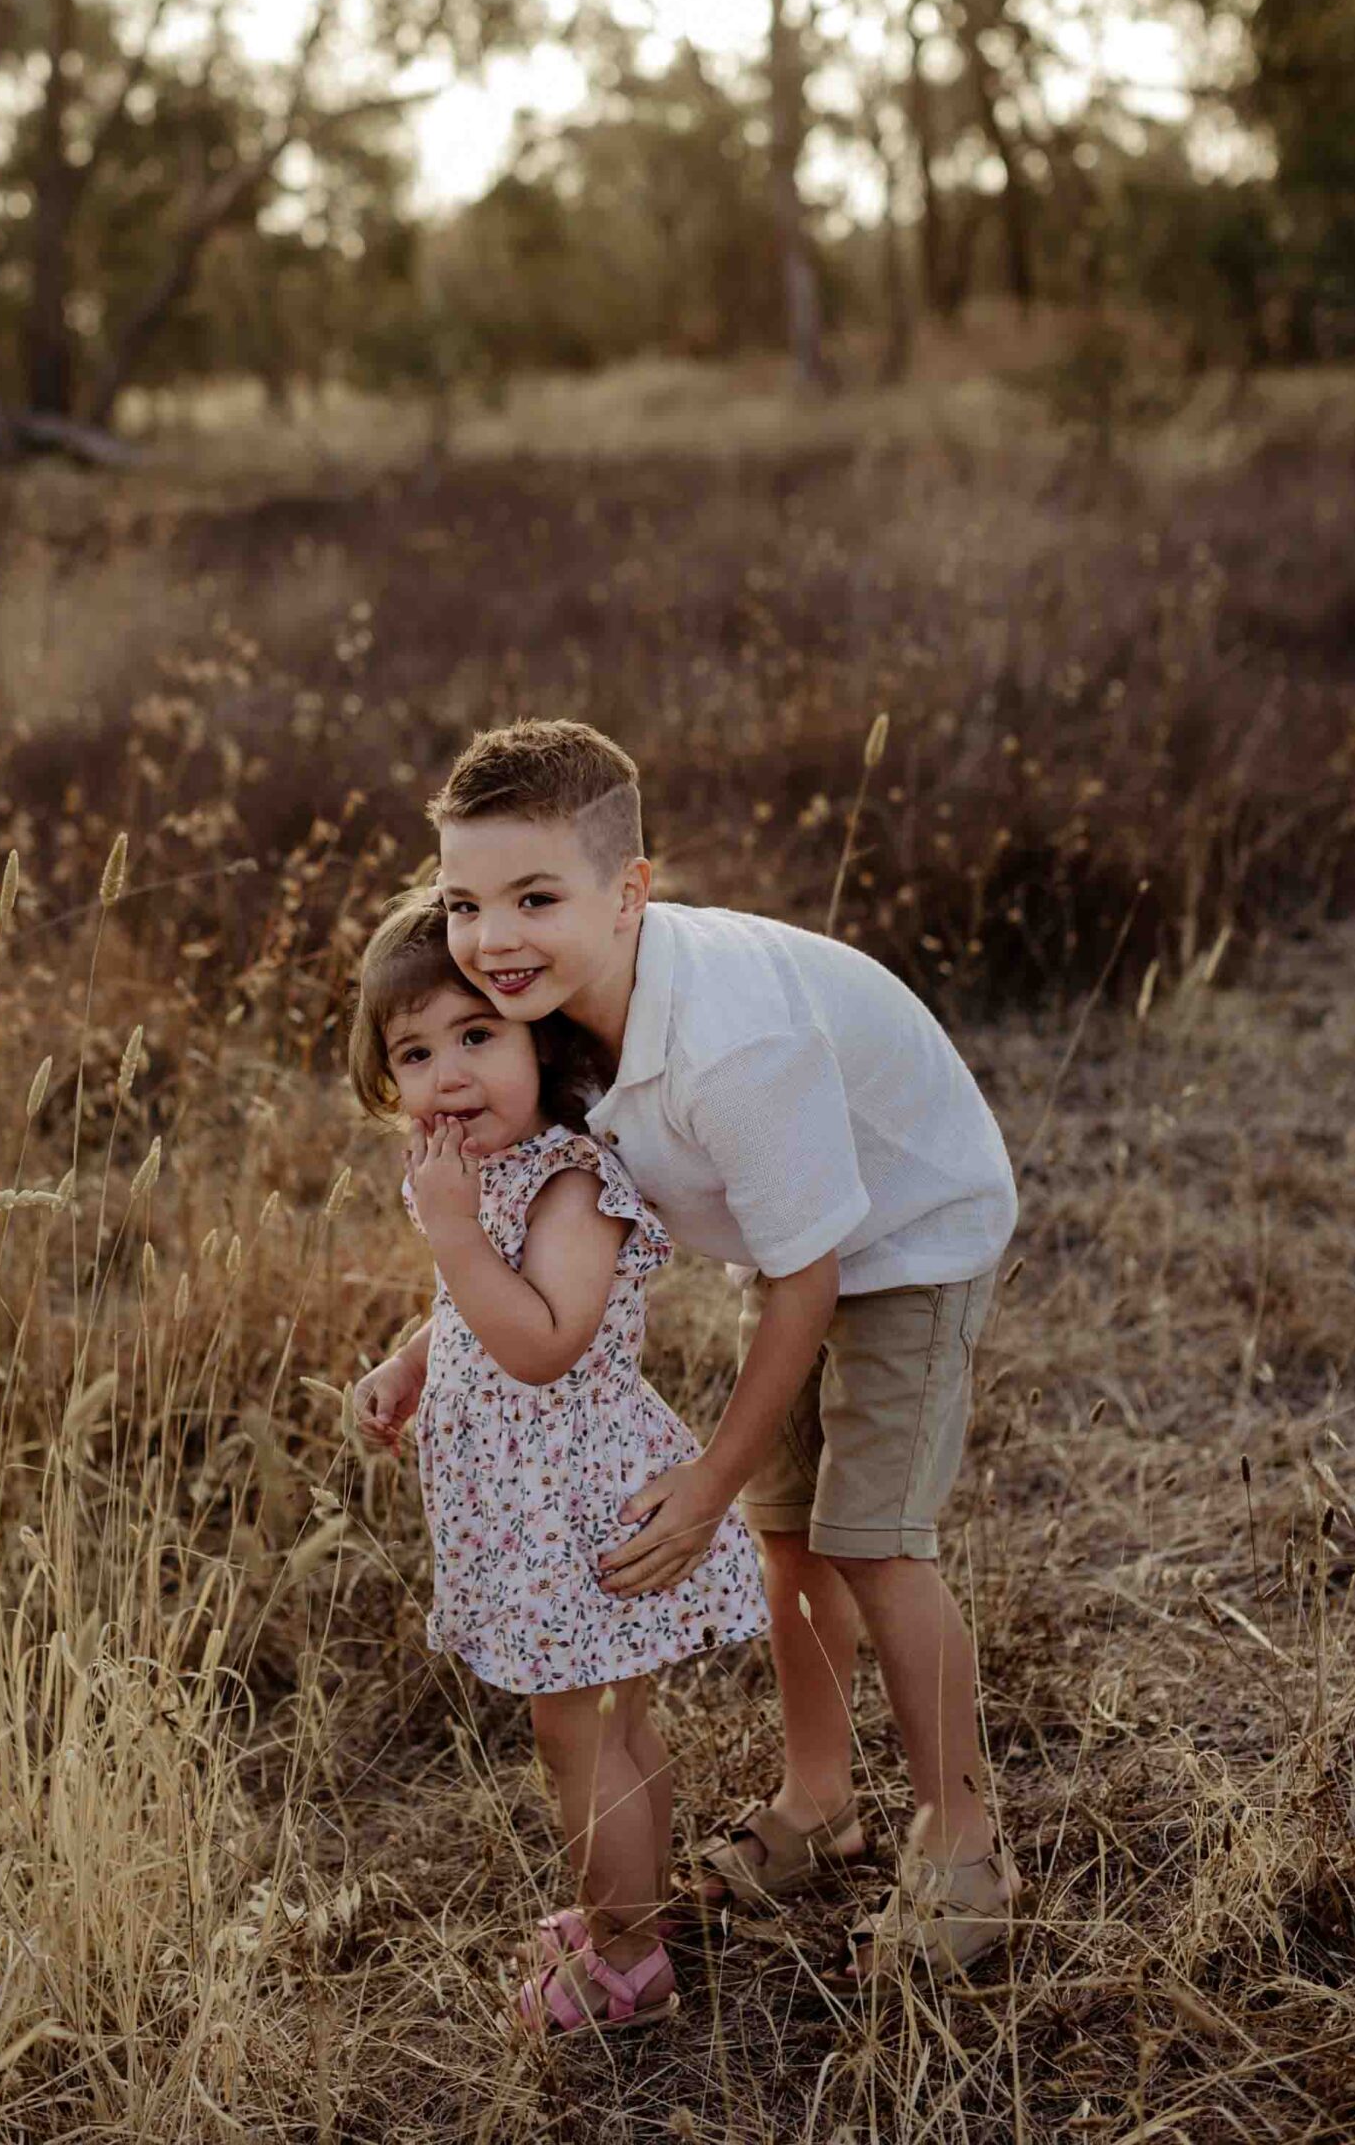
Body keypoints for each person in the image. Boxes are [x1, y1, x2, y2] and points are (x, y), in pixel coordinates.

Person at [427, 717, 1024, 1983]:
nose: (491, 938)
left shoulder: (729, 1043)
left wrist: (699, 1482)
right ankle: (819, 1806)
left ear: (630, 891)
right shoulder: (544, 1012)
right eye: (464, 902)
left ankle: (964, 1848)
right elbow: (519, 1214)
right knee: (788, 1527)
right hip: (794, 1235)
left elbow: (809, 1279)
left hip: (909, 1226)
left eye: (535, 896)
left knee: (869, 1535)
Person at [347, 888, 770, 2040]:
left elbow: (541, 1339)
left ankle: (627, 1958)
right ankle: (627, 1906)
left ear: (544, 1040)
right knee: (605, 1724)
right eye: (415, 1052)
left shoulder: (571, 1181)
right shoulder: (482, 1176)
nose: (447, 1073)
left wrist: (444, 1233)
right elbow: (475, 1306)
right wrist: (412, 1360)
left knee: (580, 1732)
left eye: (475, 1036)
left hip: (575, 1511)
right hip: (528, 1509)